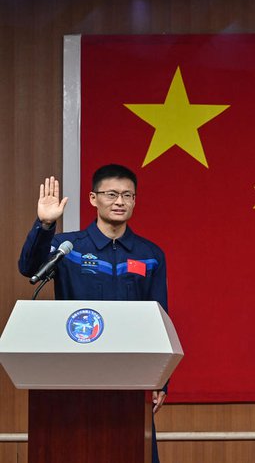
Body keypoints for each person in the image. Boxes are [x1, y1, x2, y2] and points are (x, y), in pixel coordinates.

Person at [18, 164, 169, 461]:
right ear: (92, 198)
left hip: (131, 374)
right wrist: (45, 225)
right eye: (111, 194)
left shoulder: (150, 254)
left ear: (135, 200)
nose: (120, 202)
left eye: (128, 195)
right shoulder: (67, 247)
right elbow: (29, 269)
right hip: (73, 372)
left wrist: (161, 379)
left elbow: (160, 318)